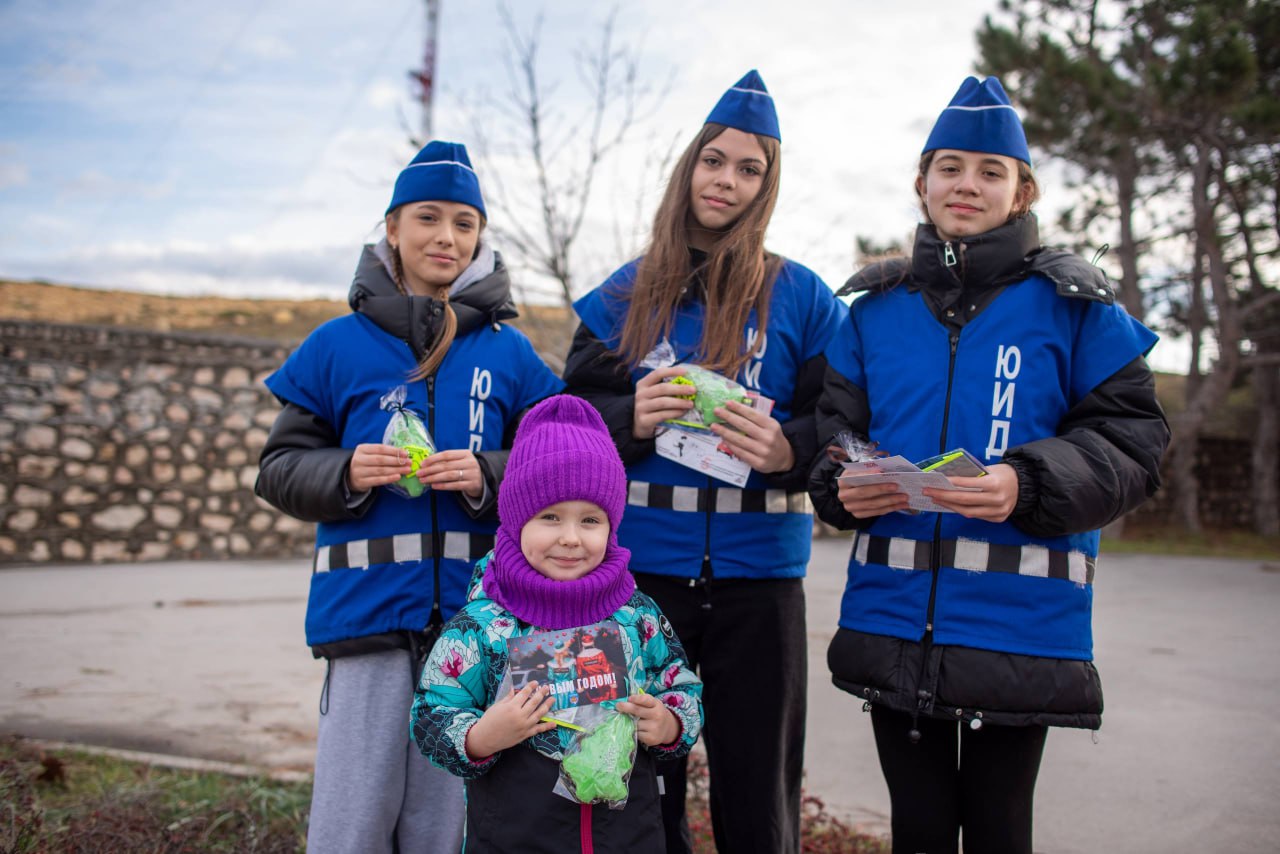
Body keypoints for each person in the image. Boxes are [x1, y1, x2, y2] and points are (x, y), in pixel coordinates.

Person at [808, 76, 1170, 854]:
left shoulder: (1077, 308)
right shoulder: (871, 312)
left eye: (989, 170)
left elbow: (1135, 442)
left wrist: (1026, 481)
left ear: (1022, 189)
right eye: (950, 167)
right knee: (921, 831)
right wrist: (842, 484)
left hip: (1022, 631)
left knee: (1003, 830)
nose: (966, 184)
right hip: (890, 618)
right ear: (922, 182)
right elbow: (832, 438)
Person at [254, 140, 563, 853]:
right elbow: (278, 469)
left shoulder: (509, 354)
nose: (446, 237)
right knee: (352, 822)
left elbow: (558, 459)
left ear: (480, 235)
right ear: (392, 228)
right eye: (427, 217)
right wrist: (347, 471)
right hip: (364, 622)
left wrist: (489, 471)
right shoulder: (336, 345)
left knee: (447, 826)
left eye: (464, 222)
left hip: (476, 628)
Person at [563, 70, 843, 853]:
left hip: (761, 588)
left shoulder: (804, 299)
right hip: (641, 585)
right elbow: (562, 425)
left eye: (749, 168)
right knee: (641, 795)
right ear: (689, 166)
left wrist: (792, 448)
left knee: (758, 800)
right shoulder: (624, 295)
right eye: (714, 160)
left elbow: (847, 423)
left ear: (768, 184)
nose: (727, 180)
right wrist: (628, 417)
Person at [412, 394, 704, 852]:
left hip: (629, 837)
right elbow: (431, 713)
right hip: (514, 838)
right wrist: (481, 736)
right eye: (549, 517)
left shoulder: (636, 614)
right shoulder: (482, 626)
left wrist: (669, 724)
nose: (570, 538)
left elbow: (681, 684)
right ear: (514, 519)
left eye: (590, 519)